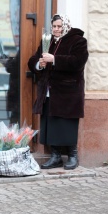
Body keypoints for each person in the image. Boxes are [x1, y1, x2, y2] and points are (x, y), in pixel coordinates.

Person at [28, 14, 88, 170]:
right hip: (49, 91)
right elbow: (33, 59)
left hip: (68, 92)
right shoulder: (47, 40)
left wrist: (54, 59)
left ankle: (72, 156)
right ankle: (55, 157)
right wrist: (39, 64)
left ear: (66, 26)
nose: (56, 29)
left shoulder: (78, 41)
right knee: (51, 122)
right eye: (54, 26)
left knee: (67, 123)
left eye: (59, 26)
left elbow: (78, 62)